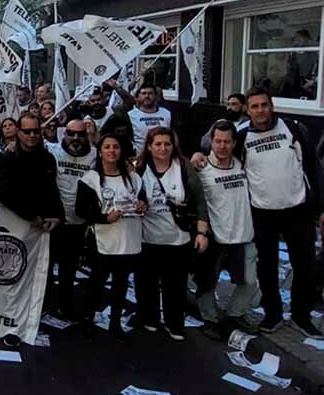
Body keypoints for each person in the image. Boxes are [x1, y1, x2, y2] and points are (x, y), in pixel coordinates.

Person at [194, 88, 324, 338]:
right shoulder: (242, 134)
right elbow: (218, 149)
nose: (260, 110)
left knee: (304, 266)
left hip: (298, 210)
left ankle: (301, 316)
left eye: (264, 105)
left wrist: (320, 208)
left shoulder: (294, 128)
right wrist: (199, 154)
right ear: (247, 109)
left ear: (271, 106)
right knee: (266, 268)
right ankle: (273, 314)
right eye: (254, 106)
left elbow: (313, 167)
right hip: (262, 213)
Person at [134, 127, 207, 341]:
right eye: (157, 144)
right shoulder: (139, 168)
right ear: (149, 146)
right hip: (147, 238)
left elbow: (200, 201)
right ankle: (149, 318)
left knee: (175, 285)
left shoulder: (183, 166)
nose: (163, 148)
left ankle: (174, 322)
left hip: (177, 238)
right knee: (146, 283)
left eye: (167, 144)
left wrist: (202, 233)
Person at [76, 134, 147, 338]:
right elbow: (81, 210)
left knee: (121, 283)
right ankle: (88, 318)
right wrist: (104, 218)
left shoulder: (134, 178)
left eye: (115, 147)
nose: (111, 151)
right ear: (100, 152)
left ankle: (115, 323)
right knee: (97, 282)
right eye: (107, 147)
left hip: (128, 238)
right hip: (103, 239)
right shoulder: (90, 179)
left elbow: (143, 201)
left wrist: (142, 205)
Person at [194, 120, 259, 340]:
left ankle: (234, 314)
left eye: (227, 142)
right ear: (211, 142)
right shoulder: (201, 169)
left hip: (244, 235)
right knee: (207, 283)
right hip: (215, 237)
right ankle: (210, 319)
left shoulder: (243, 164)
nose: (222, 146)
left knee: (249, 282)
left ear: (234, 143)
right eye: (218, 141)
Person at [44, 117, 97, 321]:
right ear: (63, 134)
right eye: (71, 133)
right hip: (54, 221)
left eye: (81, 134)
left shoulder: (95, 155)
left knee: (69, 269)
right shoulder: (52, 150)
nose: (75, 138)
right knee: (46, 268)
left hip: (78, 223)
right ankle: (42, 305)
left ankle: (65, 306)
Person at [0, 113, 63, 231]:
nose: (32, 135)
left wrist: (57, 216)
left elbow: (52, 190)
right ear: (18, 132)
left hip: (45, 225)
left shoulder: (48, 158)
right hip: (15, 223)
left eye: (35, 131)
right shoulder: (8, 158)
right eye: (27, 132)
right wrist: (32, 217)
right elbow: (4, 194)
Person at [127, 83, 171, 153]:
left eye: (150, 93)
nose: (147, 96)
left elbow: (172, 135)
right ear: (138, 96)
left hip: (162, 154)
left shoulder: (167, 113)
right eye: (144, 93)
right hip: (140, 155)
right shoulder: (130, 115)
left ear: (156, 96)